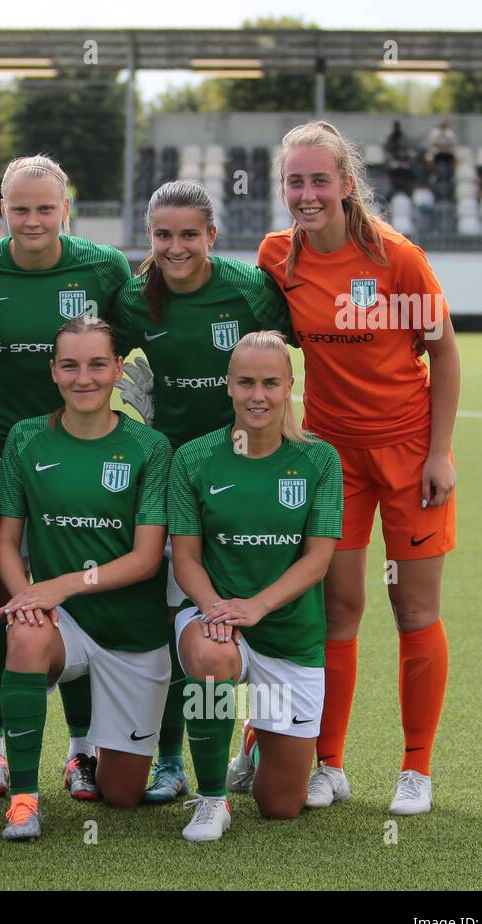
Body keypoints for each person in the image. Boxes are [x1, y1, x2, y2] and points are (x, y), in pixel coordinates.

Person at [258, 120, 459, 816]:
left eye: (320, 180)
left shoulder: (397, 258)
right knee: (335, 607)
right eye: (295, 181)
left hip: (407, 454)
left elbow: (446, 354)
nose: (307, 194)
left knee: (414, 608)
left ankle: (416, 769)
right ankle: (329, 763)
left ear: (347, 184)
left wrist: (439, 452)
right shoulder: (277, 255)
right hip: (331, 457)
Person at [0, 154, 131, 801]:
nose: (32, 220)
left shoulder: (103, 267)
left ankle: (81, 753)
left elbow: (121, 340)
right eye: (19, 208)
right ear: (2, 211)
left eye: (45, 208)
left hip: (77, 451)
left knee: (69, 595)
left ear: (65, 209)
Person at [107, 178, 291, 804]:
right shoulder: (133, 300)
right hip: (171, 476)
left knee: (253, 612)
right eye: (163, 235)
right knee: (172, 618)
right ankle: (168, 759)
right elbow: (90, 353)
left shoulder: (249, 291)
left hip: (249, 475)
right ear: (149, 237)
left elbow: (288, 360)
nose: (176, 247)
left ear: (212, 235)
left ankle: (257, 734)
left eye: (190, 234)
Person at [0, 315, 172, 841]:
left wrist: (62, 585)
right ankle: (24, 798)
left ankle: (92, 758)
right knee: (24, 634)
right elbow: (6, 541)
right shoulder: (27, 437)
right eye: (69, 365)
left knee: (121, 796)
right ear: (53, 371)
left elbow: (145, 558)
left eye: (97, 364)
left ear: (118, 369)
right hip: (60, 621)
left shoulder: (149, 447)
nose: (84, 378)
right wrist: (28, 597)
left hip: (131, 634)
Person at [166, 330, 342, 840]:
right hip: (218, 617)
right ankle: (211, 798)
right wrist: (217, 609)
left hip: (289, 632)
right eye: (245, 382)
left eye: (270, 383)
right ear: (228, 386)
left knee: (280, 806)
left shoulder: (320, 460)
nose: (257, 396)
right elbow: (186, 560)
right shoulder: (195, 459)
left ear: (290, 385)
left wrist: (258, 607)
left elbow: (318, 560)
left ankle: (254, 739)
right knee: (211, 656)